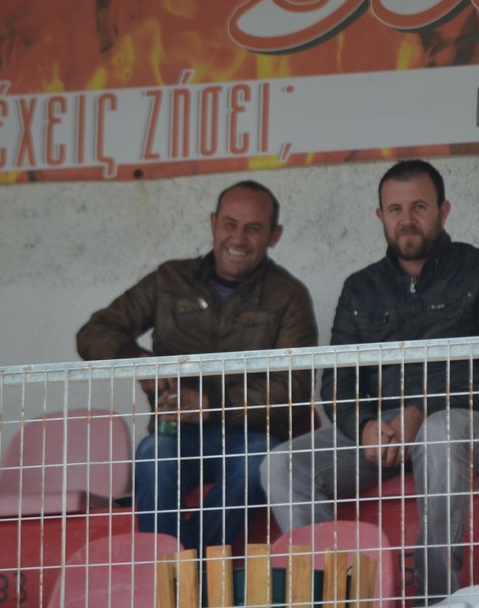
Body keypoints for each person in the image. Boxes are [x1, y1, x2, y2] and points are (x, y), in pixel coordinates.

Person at [263, 159, 479, 605]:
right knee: (282, 464)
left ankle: (436, 601)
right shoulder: (361, 288)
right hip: (386, 433)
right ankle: (332, 603)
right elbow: (336, 382)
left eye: (419, 207)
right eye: (395, 209)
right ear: (380, 216)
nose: (407, 219)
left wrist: (422, 412)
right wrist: (364, 425)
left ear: (444, 211)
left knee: (441, 431)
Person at [76, 180, 318, 551]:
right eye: (230, 224)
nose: (238, 238)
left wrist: (210, 405)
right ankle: (187, 573)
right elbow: (94, 332)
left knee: (259, 459)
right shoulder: (170, 279)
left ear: (275, 235)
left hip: (251, 436)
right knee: (152, 454)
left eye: (254, 228)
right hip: (176, 433)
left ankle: (182, 574)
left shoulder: (289, 296)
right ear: (213, 223)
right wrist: (135, 360)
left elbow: (294, 388)